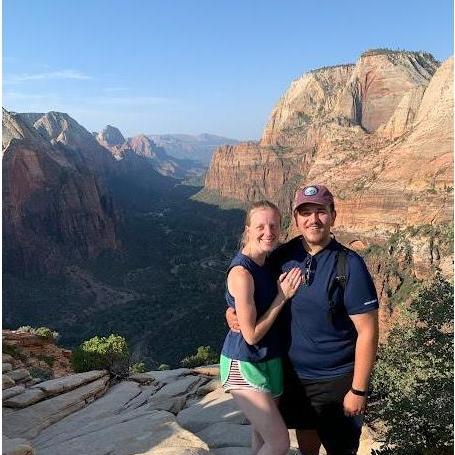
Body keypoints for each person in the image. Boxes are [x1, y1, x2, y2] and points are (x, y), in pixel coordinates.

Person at [227, 185, 379, 455]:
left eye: (321, 211)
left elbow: (368, 331)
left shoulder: (349, 264)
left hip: (337, 380)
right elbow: (248, 288)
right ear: (296, 219)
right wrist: (231, 313)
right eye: (305, 212)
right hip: (295, 379)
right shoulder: (281, 256)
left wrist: (358, 389)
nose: (313, 219)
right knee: (306, 447)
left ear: (333, 215)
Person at [220, 200, 303, 455]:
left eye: (274, 226)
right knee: (279, 443)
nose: (268, 232)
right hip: (245, 362)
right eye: (260, 226)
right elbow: (251, 335)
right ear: (247, 230)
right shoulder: (242, 273)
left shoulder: (268, 260)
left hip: (271, 360)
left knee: (261, 437)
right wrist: (282, 296)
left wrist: (229, 311)